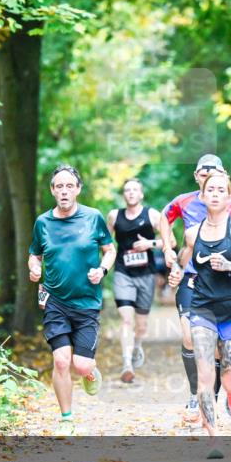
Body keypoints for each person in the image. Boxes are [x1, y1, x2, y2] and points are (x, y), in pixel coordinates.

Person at [168, 171, 231, 458]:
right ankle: (214, 439)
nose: (215, 194)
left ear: (229, 196)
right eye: (211, 189)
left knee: (230, 376)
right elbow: (184, 258)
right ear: (203, 194)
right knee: (206, 373)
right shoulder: (192, 232)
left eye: (221, 190)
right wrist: (175, 272)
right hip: (202, 308)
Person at [28, 165, 116, 435]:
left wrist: (101, 270)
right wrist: (33, 267)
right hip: (55, 301)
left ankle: (90, 372)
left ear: (78, 189)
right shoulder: (43, 223)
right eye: (59, 186)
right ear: (52, 191)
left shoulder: (93, 218)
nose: (64, 191)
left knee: (81, 364)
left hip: (87, 302)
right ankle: (66, 418)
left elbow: (109, 250)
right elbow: (35, 254)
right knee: (61, 361)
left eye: (69, 186)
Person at [107, 178, 163, 384]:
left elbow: (171, 241)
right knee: (126, 320)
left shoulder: (152, 215)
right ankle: (126, 365)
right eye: (127, 190)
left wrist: (150, 243)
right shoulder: (114, 216)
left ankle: (137, 345)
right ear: (124, 195)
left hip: (146, 274)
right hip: (123, 273)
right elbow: (106, 243)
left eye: (134, 190)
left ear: (141, 194)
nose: (130, 193)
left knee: (141, 325)